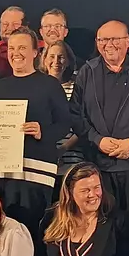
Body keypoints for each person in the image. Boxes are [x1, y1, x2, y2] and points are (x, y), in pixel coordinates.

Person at [70, 20, 129, 230]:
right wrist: (97, 140)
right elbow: (76, 115)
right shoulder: (88, 71)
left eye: (114, 39)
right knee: (104, 230)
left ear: (127, 42)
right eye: (103, 40)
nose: (108, 44)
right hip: (99, 166)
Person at [0, 28, 72, 234]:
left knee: (32, 231)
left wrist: (43, 132)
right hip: (2, 170)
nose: (16, 53)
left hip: (37, 171)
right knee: (0, 231)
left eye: (22, 47)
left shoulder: (49, 85)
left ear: (35, 52)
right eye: (12, 48)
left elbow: (65, 124)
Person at [42, 40, 84, 175]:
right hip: (43, 156)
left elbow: (83, 123)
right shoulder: (36, 87)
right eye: (52, 56)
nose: (56, 61)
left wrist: (63, 149)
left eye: (61, 57)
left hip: (72, 157)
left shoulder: (77, 88)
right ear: (44, 60)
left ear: (68, 61)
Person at [0, 6, 29, 78]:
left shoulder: (38, 47)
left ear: (26, 26)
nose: (9, 28)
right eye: (5, 24)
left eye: (15, 24)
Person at [39, 9, 85, 73]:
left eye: (57, 26)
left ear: (65, 32)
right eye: (48, 26)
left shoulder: (80, 66)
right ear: (41, 32)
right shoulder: (30, 61)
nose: (52, 30)